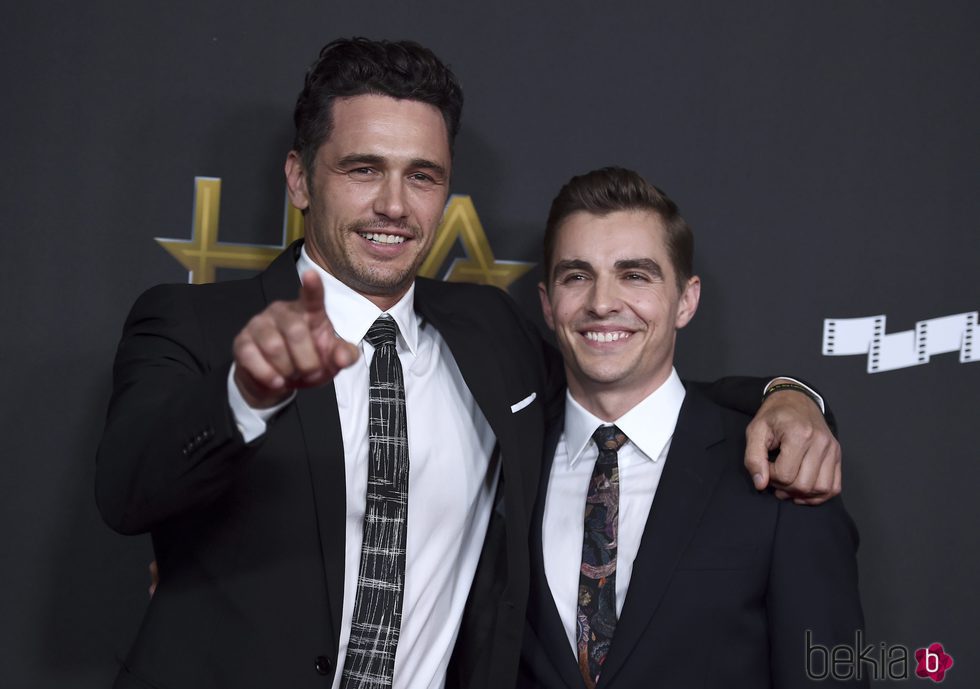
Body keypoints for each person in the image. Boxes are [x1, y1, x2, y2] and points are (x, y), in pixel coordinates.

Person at [96, 39, 841, 689]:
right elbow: (126, 489)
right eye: (363, 168)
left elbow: (626, 387)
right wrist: (243, 396)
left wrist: (789, 397)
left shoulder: (490, 335)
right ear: (299, 179)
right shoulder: (193, 322)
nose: (394, 203)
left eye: (422, 176)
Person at [518, 167, 865, 688]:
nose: (602, 302)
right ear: (548, 304)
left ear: (687, 299)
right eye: (577, 275)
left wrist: (793, 395)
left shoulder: (781, 471)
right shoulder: (505, 463)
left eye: (634, 275)